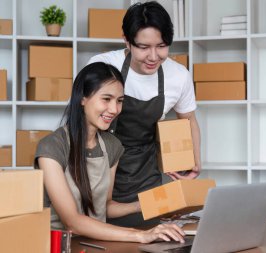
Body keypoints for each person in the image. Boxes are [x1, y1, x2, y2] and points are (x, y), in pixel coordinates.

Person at [34, 62, 185, 243]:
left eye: (119, 101)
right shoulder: (51, 147)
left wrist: (148, 205)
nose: (114, 109)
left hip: (98, 242)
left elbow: (104, 206)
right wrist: (140, 235)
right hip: (60, 246)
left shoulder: (112, 145)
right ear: (82, 97)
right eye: (106, 99)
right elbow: (71, 221)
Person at [87, 1, 201, 227]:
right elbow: (82, 123)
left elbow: (188, 119)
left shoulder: (178, 76)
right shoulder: (102, 66)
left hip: (145, 170)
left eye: (161, 46)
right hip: (100, 165)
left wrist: (195, 160)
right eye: (143, 47)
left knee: (152, 233)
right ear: (126, 41)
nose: (153, 56)